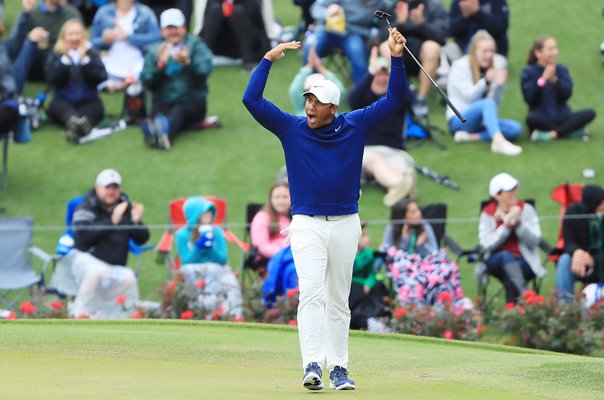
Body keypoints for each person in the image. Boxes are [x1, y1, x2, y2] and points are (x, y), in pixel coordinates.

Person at [243, 26, 407, 391]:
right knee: (311, 293)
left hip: (347, 222)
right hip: (306, 224)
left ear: (333, 107)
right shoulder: (291, 128)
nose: (309, 107)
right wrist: (267, 61)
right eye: (307, 100)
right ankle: (312, 364)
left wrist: (396, 58)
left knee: (338, 300)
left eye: (316, 102)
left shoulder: (355, 125)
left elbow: (395, 100)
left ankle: (340, 370)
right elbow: (251, 101)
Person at [50, 168, 150, 318]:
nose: (111, 191)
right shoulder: (86, 206)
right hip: (85, 260)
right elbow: (82, 237)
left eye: (115, 188)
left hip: (115, 266)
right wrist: (112, 222)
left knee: (129, 277)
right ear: (97, 188)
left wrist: (136, 221)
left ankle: (124, 319)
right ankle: (80, 315)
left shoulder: (124, 208)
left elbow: (141, 239)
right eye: (107, 187)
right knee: (97, 272)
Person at [348, 48, 416, 207]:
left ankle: (396, 190)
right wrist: (372, 72)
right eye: (379, 75)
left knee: (399, 167)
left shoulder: (396, 100)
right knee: (376, 161)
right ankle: (401, 187)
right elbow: (352, 99)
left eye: (386, 75)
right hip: (367, 151)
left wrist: (395, 68)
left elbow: (409, 97)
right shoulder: (363, 98)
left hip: (395, 151)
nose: (382, 78)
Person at [140, 8, 213, 150]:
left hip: (191, 100)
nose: (173, 32)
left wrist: (188, 62)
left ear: (184, 28)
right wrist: (160, 65)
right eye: (169, 28)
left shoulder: (196, 45)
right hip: (163, 101)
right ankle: (158, 130)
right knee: (158, 111)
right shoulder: (155, 51)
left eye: (176, 27)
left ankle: (164, 134)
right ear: (162, 31)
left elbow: (204, 71)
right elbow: (146, 81)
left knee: (179, 111)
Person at [446, 30, 522, 156]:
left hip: (481, 121)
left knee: (515, 128)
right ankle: (499, 142)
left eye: (491, 51)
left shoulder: (492, 67)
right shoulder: (460, 66)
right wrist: (485, 82)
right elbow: (468, 97)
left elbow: (494, 104)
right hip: (459, 119)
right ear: (474, 51)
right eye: (485, 51)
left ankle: (471, 137)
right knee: (487, 103)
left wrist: (499, 85)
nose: (489, 55)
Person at [381, 199, 465, 307]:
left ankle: (445, 305)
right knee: (413, 281)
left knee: (447, 271)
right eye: (413, 212)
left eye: (418, 210)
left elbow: (435, 253)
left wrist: (421, 245)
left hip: (426, 268)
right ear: (403, 217)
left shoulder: (425, 227)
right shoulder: (392, 229)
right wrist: (405, 239)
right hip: (405, 271)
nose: (419, 213)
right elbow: (388, 253)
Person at [479, 173, 546, 303]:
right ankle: (525, 296)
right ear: (497, 195)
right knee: (505, 257)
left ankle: (512, 308)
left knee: (510, 272)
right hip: (495, 262)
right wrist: (506, 226)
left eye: (515, 189)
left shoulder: (527, 210)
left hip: (525, 261)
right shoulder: (487, 214)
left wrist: (519, 224)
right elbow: (485, 245)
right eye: (510, 190)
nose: (515, 192)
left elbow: (535, 241)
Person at [174, 196, 243, 319]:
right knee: (192, 271)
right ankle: (202, 313)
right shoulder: (181, 234)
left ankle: (228, 315)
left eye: (209, 212)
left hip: (216, 272)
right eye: (204, 213)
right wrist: (198, 247)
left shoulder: (216, 231)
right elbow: (186, 261)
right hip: (193, 274)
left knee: (224, 277)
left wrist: (210, 248)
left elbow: (222, 259)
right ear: (194, 215)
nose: (208, 215)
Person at [521, 35, 596, 142]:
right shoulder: (528, 71)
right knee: (531, 118)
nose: (555, 52)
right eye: (550, 49)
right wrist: (543, 79)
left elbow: (567, 94)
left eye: (555, 48)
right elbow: (529, 98)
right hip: (542, 117)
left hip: (562, 116)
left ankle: (552, 134)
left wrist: (555, 80)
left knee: (590, 113)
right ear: (538, 53)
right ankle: (570, 132)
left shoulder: (561, 69)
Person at [45, 19, 108, 142]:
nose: (74, 38)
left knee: (95, 107)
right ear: (64, 37)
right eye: (70, 34)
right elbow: (52, 79)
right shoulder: (56, 55)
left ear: (83, 36)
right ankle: (73, 123)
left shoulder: (92, 54)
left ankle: (82, 124)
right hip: (63, 100)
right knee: (59, 107)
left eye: (77, 33)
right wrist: (66, 61)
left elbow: (101, 77)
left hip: (89, 100)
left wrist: (85, 61)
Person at [388, 0, 448, 118]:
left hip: (425, 60)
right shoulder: (395, 6)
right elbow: (375, 39)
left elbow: (442, 37)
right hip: (397, 57)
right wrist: (400, 24)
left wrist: (421, 25)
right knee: (384, 47)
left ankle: (420, 99)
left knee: (432, 47)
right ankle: (401, 96)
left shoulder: (434, 7)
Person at [308, 0, 392, 84]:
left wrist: (378, 36)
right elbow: (315, 8)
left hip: (354, 34)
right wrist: (327, 12)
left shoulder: (379, 4)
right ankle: (309, 85)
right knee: (311, 46)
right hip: (329, 30)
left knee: (357, 52)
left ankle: (360, 92)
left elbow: (390, 19)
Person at [90, 0, 161, 90]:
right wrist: (104, 40)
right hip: (111, 62)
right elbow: (92, 42)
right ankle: (124, 84)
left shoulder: (145, 12)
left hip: (138, 62)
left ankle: (121, 84)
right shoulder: (103, 12)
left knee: (147, 68)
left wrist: (128, 37)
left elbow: (156, 38)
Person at [7, 0, 83, 82]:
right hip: (36, 62)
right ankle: (13, 90)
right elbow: (13, 45)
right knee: (27, 45)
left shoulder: (72, 14)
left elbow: (82, 41)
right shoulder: (33, 12)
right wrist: (29, 36)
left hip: (60, 61)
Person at [556, 185, 604, 300]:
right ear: (594, 203)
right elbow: (568, 241)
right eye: (602, 203)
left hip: (601, 262)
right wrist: (577, 252)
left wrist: (594, 260)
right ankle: (565, 308)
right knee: (564, 261)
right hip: (579, 264)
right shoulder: (573, 211)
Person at [198, 0, 271, 71]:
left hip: (249, 39)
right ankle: (203, 59)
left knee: (238, 12)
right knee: (215, 9)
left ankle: (248, 61)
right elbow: (207, 15)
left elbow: (255, 13)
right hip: (222, 39)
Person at [288, 46, 345, 116]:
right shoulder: (332, 111)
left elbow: (294, 90)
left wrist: (312, 67)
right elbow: (294, 90)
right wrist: (320, 68)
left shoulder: (302, 112)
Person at [250, 181, 292, 260]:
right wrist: (286, 254)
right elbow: (261, 246)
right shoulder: (262, 217)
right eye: (277, 197)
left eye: (285, 197)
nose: (281, 201)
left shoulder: (296, 218)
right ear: (270, 199)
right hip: (275, 260)